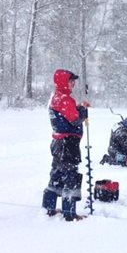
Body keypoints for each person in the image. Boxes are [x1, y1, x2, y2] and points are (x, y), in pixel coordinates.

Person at [42, 69, 90, 221]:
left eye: (74, 81)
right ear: (63, 82)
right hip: (68, 144)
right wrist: (83, 110)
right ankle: (70, 213)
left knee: (56, 174)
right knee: (70, 176)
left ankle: (48, 207)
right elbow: (75, 119)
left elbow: (66, 115)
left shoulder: (55, 97)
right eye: (71, 81)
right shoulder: (65, 99)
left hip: (58, 143)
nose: (73, 83)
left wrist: (79, 107)